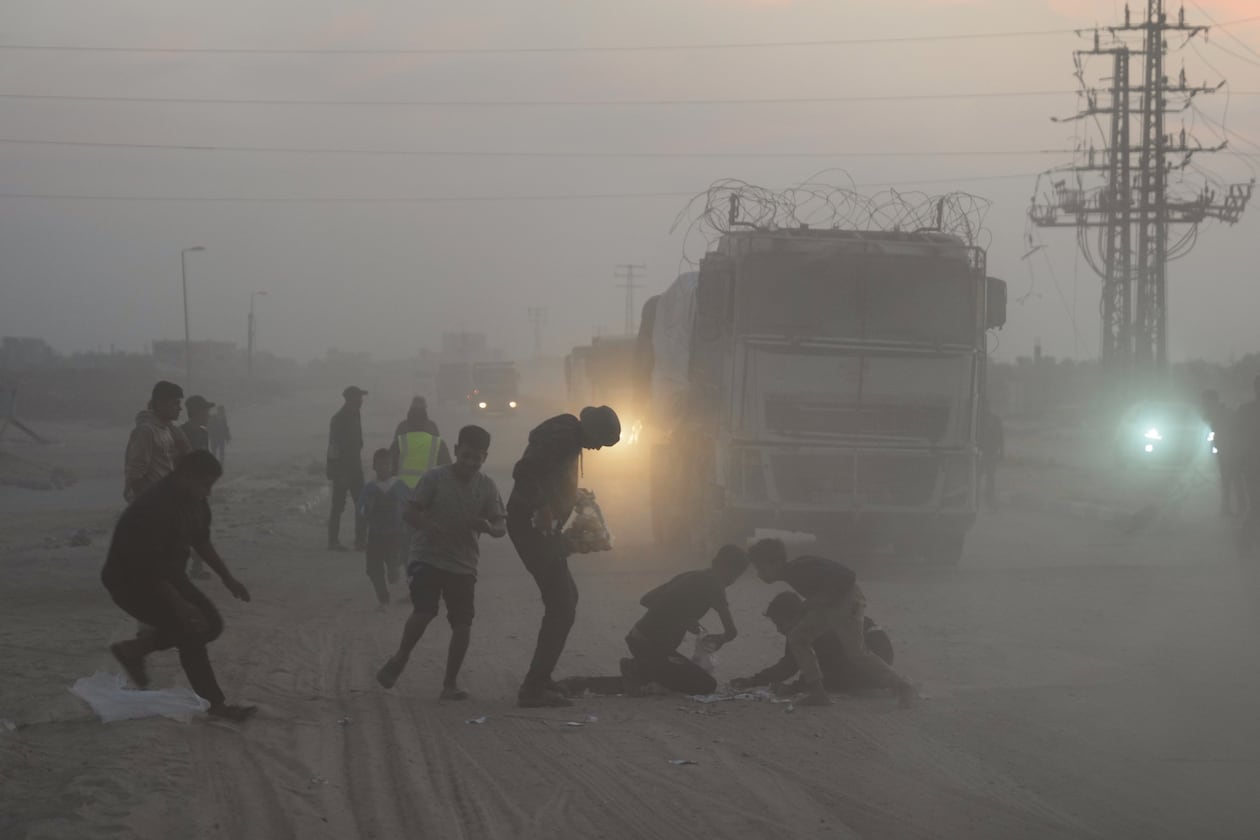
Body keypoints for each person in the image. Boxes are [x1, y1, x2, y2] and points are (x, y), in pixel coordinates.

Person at [102, 451, 256, 722]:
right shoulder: (155, 507)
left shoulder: (194, 500)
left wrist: (227, 577)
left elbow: (201, 541)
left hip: (168, 574)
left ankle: (133, 650)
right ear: (185, 476)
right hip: (129, 581)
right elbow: (149, 568)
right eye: (204, 484)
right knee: (191, 630)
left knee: (211, 624)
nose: (208, 492)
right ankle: (216, 706)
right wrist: (180, 604)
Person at [376, 425, 505, 699]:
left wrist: (489, 527)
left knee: (462, 624)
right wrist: (429, 526)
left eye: (477, 458)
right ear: (456, 451)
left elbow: (499, 522)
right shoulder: (434, 478)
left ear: (485, 457)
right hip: (428, 557)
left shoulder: (487, 486)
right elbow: (410, 513)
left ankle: (450, 684)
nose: (471, 463)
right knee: (424, 611)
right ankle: (400, 657)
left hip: (463, 563)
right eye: (466, 456)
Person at [508, 405, 621, 708]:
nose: (597, 448)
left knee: (566, 599)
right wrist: (543, 507)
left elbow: (549, 474)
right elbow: (524, 470)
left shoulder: (567, 435)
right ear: (591, 428)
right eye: (599, 441)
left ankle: (541, 679)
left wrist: (573, 495)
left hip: (541, 529)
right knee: (562, 605)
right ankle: (533, 687)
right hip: (531, 527)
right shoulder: (562, 437)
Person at [747, 538, 916, 708]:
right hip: (831, 606)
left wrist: (817, 601)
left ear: (776, 563)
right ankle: (818, 693)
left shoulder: (801, 569)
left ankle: (903, 686)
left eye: (762, 568)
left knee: (856, 653)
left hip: (847, 601)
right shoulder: (796, 571)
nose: (760, 574)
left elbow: (847, 575)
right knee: (798, 637)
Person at [619, 545, 747, 697]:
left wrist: (683, 618)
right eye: (735, 575)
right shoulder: (714, 585)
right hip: (652, 647)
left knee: (681, 673)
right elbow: (731, 632)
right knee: (706, 685)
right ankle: (636, 668)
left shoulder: (690, 575)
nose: (732, 581)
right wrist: (719, 639)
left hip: (637, 638)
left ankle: (643, 670)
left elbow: (647, 600)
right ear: (728, 569)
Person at [730, 592, 895, 694]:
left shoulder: (815, 625)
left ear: (795, 617)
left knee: (826, 680)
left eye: (780, 623)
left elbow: (826, 667)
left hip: (876, 650)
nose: (779, 630)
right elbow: (789, 665)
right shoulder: (800, 629)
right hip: (872, 649)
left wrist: (797, 687)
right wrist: (753, 681)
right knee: (823, 676)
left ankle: (880, 681)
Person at [358, 448, 412, 608]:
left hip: (397, 534)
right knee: (372, 568)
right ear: (374, 466)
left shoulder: (400, 485)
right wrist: (367, 508)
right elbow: (359, 510)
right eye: (380, 464)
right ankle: (383, 599)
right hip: (376, 534)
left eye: (387, 464)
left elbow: (411, 506)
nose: (383, 468)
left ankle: (394, 568)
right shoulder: (370, 488)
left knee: (394, 564)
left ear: (392, 466)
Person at [124, 380, 191, 503]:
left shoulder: (168, 430)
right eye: (175, 403)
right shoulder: (146, 431)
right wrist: (150, 504)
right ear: (160, 403)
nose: (180, 408)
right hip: (153, 504)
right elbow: (135, 475)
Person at [327, 386, 368, 551]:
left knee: (362, 503)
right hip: (343, 470)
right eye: (359, 397)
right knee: (338, 506)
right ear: (350, 399)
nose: (361, 401)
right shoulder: (338, 419)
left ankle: (360, 541)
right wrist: (336, 472)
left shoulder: (355, 415)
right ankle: (333, 541)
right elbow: (333, 447)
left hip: (356, 468)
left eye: (361, 398)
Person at [180, 395, 216, 581]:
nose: (208, 416)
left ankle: (197, 566)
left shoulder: (203, 433)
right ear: (197, 412)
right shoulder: (180, 433)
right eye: (206, 412)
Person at [389, 396, 451, 489]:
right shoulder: (433, 429)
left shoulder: (401, 430)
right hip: (429, 490)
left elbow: (391, 464)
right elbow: (445, 467)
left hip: (403, 490)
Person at [1202, 389, 1243, 517]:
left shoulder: (1221, 413)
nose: (1204, 404)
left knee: (1232, 479)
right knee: (1230, 479)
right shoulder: (1219, 412)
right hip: (1226, 449)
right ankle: (1233, 507)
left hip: (1230, 449)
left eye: (1205, 402)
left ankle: (1238, 507)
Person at [1236, 376, 1260, 557]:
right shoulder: (1246, 412)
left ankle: (1246, 540)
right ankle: (1245, 539)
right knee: (1256, 505)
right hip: (1252, 465)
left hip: (1250, 465)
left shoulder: (1245, 411)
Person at [979, 406, 1005, 510]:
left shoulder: (993, 420)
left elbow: (1001, 437)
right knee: (983, 474)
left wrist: (1002, 451)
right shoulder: (981, 421)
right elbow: (1001, 437)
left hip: (990, 451)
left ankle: (988, 494)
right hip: (983, 451)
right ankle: (985, 494)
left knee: (989, 474)